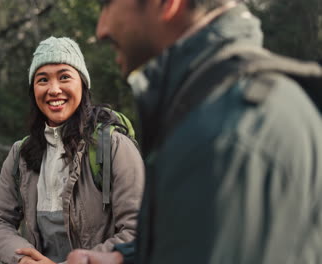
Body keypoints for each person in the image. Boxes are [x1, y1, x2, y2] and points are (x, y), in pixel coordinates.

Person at [67, 0, 322, 263]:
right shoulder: (216, 110)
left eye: (107, 4)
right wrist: (123, 259)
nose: (101, 29)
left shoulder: (224, 138)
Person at [0, 36, 144, 264]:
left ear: (83, 83)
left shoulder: (113, 147)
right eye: (43, 80)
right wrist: (25, 259)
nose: (54, 89)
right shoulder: (21, 154)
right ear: (33, 89)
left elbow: (139, 233)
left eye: (64, 76)